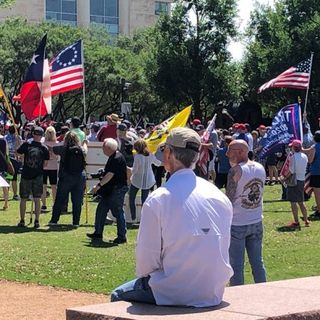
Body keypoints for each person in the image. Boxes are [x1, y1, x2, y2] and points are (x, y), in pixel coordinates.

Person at [111, 127, 233, 307]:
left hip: (173, 290)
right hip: (212, 290)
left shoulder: (159, 199)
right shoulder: (219, 196)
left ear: (168, 154)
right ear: (197, 157)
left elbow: (146, 263)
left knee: (117, 297)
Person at [226, 139, 266, 286]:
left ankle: (238, 296)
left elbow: (229, 199)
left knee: (236, 265)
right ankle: (264, 290)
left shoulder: (236, 171)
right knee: (257, 263)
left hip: (237, 223)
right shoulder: (260, 167)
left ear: (241, 152)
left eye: (230, 150)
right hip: (256, 220)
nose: (227, 154)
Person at [87, 138, 128, 243]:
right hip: (111, 189)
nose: (102, 149)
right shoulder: (114, 157)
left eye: (103, 147)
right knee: (101, 210)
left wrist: (99, 186)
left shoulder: (116, 158)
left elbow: (109, 175)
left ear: (108, 148)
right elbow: (107, 173)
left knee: (118, 212)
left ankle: (122, 236)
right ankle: (98, 233)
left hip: (117, 189)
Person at [48, 131, 87, 227]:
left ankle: (54, 220)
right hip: (79, 176)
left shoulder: (63, 148)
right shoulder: (81, 149)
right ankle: (76, 222)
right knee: (77, 201)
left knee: (60, 199)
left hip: (65, 176)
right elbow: (86, 151)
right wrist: (85, 143)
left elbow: (52, 149)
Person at [17, 127, 49, 228]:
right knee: (37, 199)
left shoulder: (26, 144)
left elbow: (17, 153)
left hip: (26, 174)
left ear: (33, 134)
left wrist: (22, 157)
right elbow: (46, 164)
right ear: (42, 135)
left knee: (23, 198)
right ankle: (37, 221)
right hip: (38, 175)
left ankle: (22, 220)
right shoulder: (44, 148)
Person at [129, 139, 161, 221]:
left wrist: (128, 169)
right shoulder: (151, 155)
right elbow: (158, 163)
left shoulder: (137, 157)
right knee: (145, 200)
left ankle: (133, 217)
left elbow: (135, 170)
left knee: (131, 198)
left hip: (137, 180)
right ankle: (144, 219)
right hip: (148, 180)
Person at [282, 140, 309, 228]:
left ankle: (296, 222)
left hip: (294, 180)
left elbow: (291, 171)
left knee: (293, 202)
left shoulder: (293, 157)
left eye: (291, 147)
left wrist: (284, 178)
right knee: (301, 201)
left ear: (294, 147)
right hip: (302, 180)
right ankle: (306, 220)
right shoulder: (304, 156)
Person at [41, 126, 58, 212]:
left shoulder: (43, 143)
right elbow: (58, 156)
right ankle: (54, 204)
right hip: (53, 167)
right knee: (54, 186)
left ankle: (44, 205)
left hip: (44, 166)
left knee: (43, 186)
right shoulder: (57, 143)